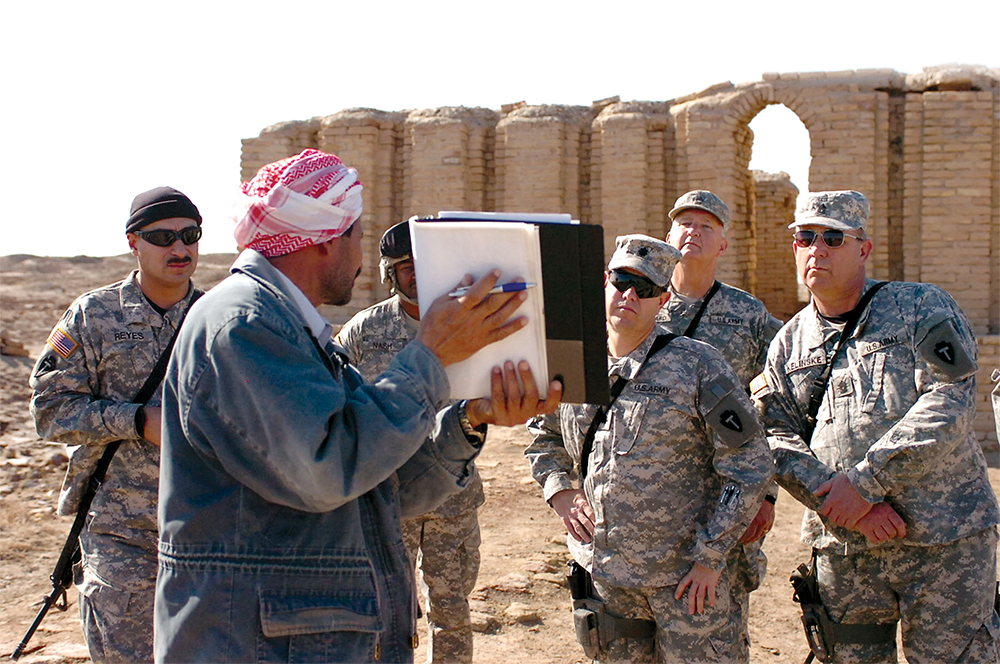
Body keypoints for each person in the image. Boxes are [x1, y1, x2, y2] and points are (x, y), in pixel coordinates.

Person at [154, 149, 561, 664]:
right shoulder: (242, 327)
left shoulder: (287, 326)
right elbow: (327, 469)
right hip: (257, 644)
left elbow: (374, 487)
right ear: (326, 241)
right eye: (357, 235)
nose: (362, 255)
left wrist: (468, 419)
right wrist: (430, 357)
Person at [752, 190, 1000, 663]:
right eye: (805, 236)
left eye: (833, 237)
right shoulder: (787, 344)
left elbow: (950, 399)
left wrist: (865, 483)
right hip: (846, 548)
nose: (816, 248)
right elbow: (772, 434)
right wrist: (841, 498)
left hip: (945, 539)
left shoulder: (921, 308)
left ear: (863, 249)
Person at [526, 234, 774, 663]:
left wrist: (711, 556)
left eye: (645, 289)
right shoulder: (571, 358)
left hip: (686, 584)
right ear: (604, 281)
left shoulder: (698, 365)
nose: (629, 295)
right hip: (607, 577)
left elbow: (750, 463)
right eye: (622, 281)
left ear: (662, 301)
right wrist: (560, 491)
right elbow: (543, 436)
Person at [29, 187, 203, 662]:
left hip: (207, 527)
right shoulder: (94, 316)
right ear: (134, 243)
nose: (180, 248)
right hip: (120, 530)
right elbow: (50, 409)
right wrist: (135, 421)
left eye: (189, 235)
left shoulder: (219, 317)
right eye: (163, 237)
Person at [336, 219, 483, 663]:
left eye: (423, 264)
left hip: (452, 499)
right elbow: (337, 394)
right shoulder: (364, 330)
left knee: (452, 610)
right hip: (388, 497)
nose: (416, 274)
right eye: (405, 269)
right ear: (389, 275)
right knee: (385, 612)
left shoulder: (465, 324)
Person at [659, 189, 783, 646]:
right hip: (647, 500)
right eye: (685, 223)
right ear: (668, 235)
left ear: (723, 245)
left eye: (706, 226)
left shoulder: (747, 314)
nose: (693, 231)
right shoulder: (639, 303)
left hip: (721, 502)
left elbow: (777, 401)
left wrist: (765, 494)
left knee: (715, 632)